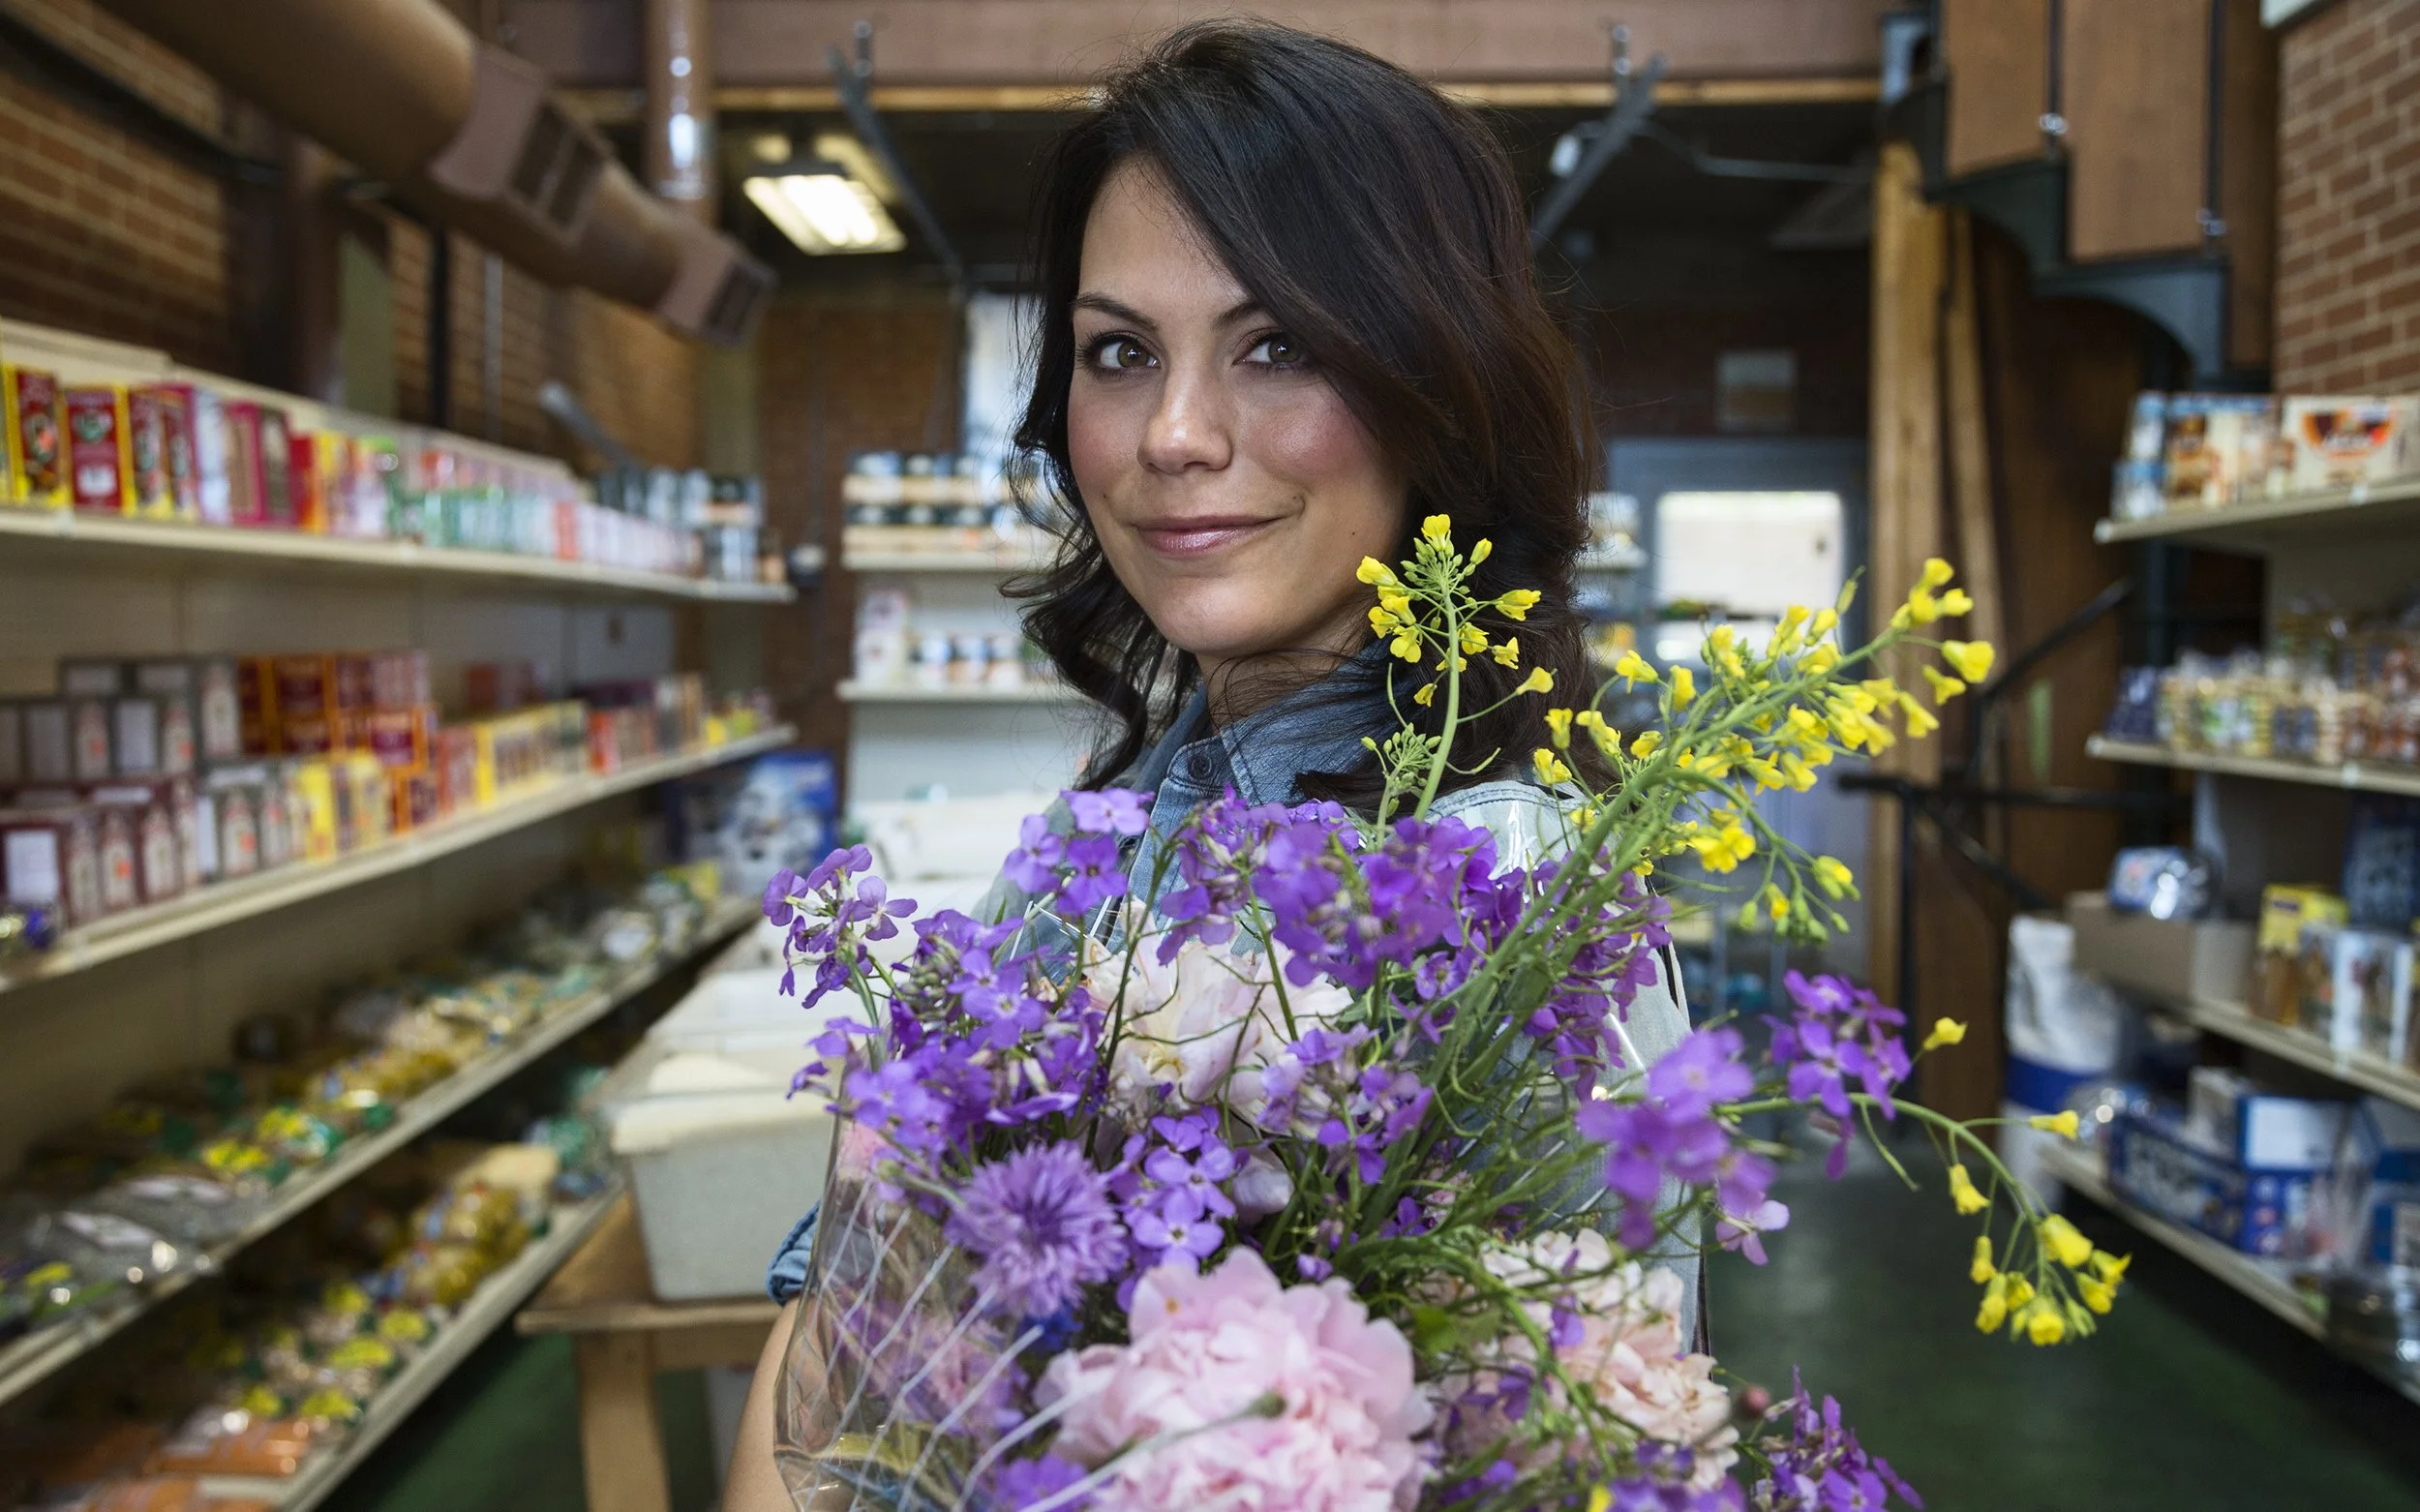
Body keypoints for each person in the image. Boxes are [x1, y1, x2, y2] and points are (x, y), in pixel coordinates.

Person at [723, 20, 1696, 1507]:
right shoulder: (1113, 827)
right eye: (1120, 352)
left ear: (1438, 383)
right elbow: (841, 1355)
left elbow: (1592, 1451)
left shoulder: (1509, 895)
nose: (1172, 433)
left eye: (1279, 344)